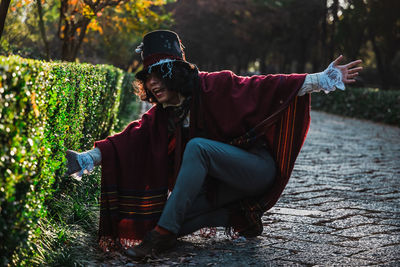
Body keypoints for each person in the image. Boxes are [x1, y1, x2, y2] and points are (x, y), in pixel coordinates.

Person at [66, 30, 362, 260]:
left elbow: (265, 85)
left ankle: (160, 237)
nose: (153, 83)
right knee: (169, 218)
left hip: (256, 170)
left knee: (197, 148)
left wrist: (323, 78)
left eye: (160, 74)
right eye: (148, 77)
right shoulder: (164, 113)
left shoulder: (214, 85)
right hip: (220, 187)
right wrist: (88, 158)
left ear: (176, 73)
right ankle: (240, 217)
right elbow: (130, 138)